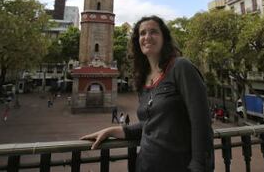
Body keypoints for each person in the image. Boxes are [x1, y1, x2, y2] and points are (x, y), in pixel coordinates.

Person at [81, 15, 214, 172]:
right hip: (145, 165)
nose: (147, 37)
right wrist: (111, 131)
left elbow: (201, 123)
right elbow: (150, 125)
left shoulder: (181, 67)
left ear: (164, 38)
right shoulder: (143, 79)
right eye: (142, 33)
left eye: (153, 32)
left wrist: (198, 166)